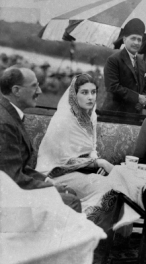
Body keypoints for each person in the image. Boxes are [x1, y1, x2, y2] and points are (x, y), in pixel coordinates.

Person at [35, 74, 122, 231]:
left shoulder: (91, 115)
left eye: (93, 92)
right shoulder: (63, 119)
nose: (90, 97)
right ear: (74, 94)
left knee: (113, 186)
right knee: (106, 189)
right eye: (84, 92)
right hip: (55, 173)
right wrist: (97, 163)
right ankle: (78, 229)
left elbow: (92, 147)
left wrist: (95, 162)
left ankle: (92, 232)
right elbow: (61, 161)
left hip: (81, 170)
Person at [0, 66, 81, 212]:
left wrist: (47, 180)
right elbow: (12, 177)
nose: (39, 91)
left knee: (70, 193)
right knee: (71, 201)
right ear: (16, 90)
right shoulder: (4, 123)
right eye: (34, 86)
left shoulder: (9, 114)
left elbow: (20, 168)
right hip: (8, 198)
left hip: (13, 189)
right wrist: (51, 187)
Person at [101, 18, 146, 114]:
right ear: (124, 39)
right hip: (114, 113)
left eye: (139, 40)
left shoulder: (142, 62)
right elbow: (112, 87)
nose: (136, 42)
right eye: (133, 38)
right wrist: (137, 97)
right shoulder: (113, 60)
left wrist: (143, 101)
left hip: (134, 115)